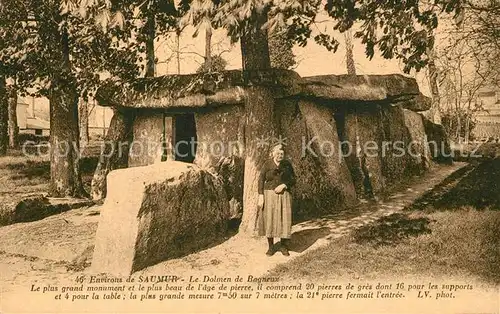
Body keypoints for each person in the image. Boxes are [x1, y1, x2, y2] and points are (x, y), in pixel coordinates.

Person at [257, 144, 296, 256]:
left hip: (284, 195)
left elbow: (293, 179)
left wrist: (284, 185)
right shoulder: (267, 164)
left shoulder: (287, 164)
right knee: (270, 220)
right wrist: (261, 195)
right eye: (278, 153)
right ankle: (271, 247)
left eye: (282, 154)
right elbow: (261, 179)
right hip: (269, 194)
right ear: (273, 153)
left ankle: (283, 246)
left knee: (284, 219)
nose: (280, 155)